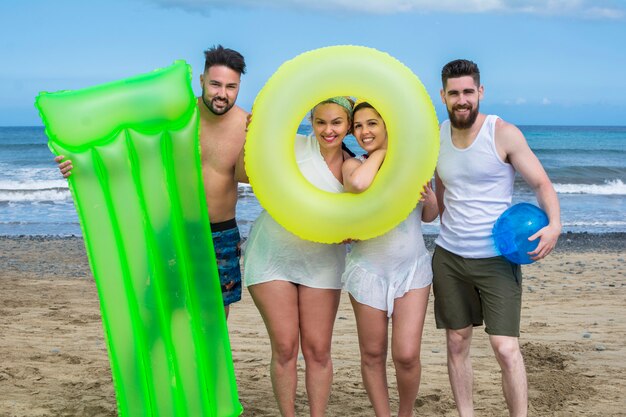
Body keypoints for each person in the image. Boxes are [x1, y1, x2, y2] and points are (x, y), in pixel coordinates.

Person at [55, 45, 249, 319]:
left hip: (221, 232)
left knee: (214, 319)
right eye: (215, 84)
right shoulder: (177, 119)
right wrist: (79, 164)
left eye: (231, 86)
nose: (222, 94)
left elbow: (252, 176)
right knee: (159, 313)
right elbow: (127, 152)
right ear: (202, 80)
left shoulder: (246, 125)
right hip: (173, 227)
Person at [433, 59, 561, 417]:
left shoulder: (502, 133)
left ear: (480, 92)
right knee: (457, 342)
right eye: (454, 93)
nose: (462, 99)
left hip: (496, 260)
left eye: (468, 92)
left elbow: (541, 183)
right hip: (449, 258)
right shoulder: (438, 134)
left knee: (505, 348)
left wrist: (554, 225)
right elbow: (441, 193)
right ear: (443, 95)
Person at [243, 97, 354, 417]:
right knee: (286, 347)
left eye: (336, 122)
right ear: (311, 121)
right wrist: (253, 137)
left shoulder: (355, 166)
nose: (328, 130)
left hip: (322, 262)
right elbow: (247, 175)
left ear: (348, 124)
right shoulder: (290, 144)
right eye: (320, 122)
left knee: (318, 350)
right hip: (272, 255)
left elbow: (364, 214)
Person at [341, 101, 438, 417]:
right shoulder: (353, 165)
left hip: (412, 269)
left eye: (372, 124)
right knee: (372, 353)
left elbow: (428, 216)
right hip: (368, 269)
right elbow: (359, 185)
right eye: (358, 126)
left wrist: (433, 199)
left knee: (407, 355)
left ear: (388, 125)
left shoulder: (415, 163)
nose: (364, 131)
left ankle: (405, 413)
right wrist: (382, 153)